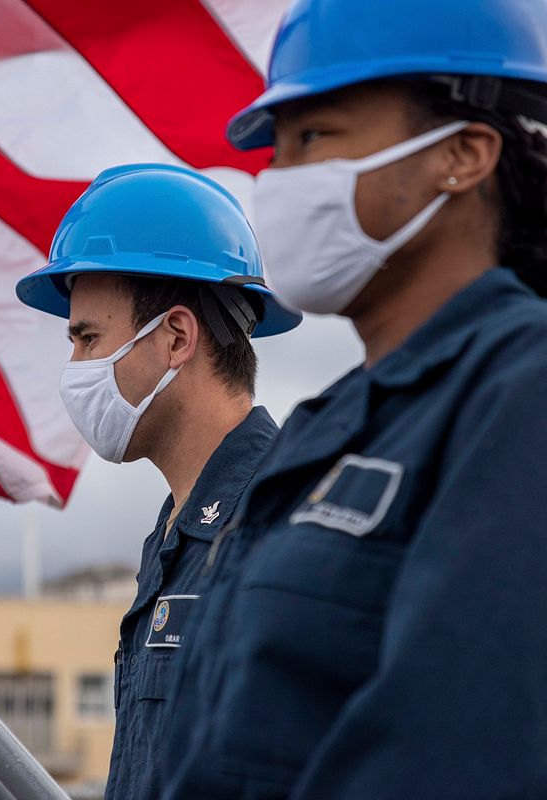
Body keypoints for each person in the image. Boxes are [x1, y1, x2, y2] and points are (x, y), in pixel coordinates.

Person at [162, 1, 547, 798]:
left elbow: (454, 753)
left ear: (465, 153)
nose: (280, 181)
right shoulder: (328, 426)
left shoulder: (522, 387)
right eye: (279, 149)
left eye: (316, 138)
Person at [15, 163, 300, 800]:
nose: (75, 368)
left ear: (175, 337)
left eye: (88, 337)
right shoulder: (174, 531)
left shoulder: (280, 522)